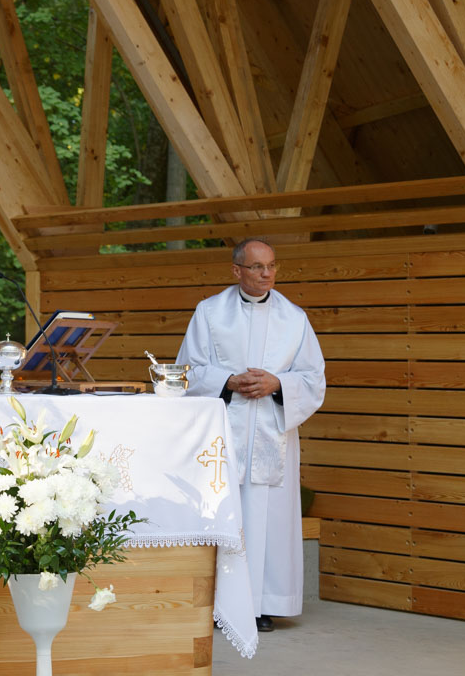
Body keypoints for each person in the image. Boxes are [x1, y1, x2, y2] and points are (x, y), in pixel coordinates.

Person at [176, 238, 325, 634]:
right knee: (227, 515)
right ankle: (217, 605)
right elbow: (186, 371)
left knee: (267, 520)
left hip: (273, 436)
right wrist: (228, 380)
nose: (266, 274)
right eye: (257, 267)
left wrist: (278, 384)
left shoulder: (295, 319)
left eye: (272, 266)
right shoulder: (209, 313)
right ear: (236, 271)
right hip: (223, 436)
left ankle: (261, 604)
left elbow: (313, 380)